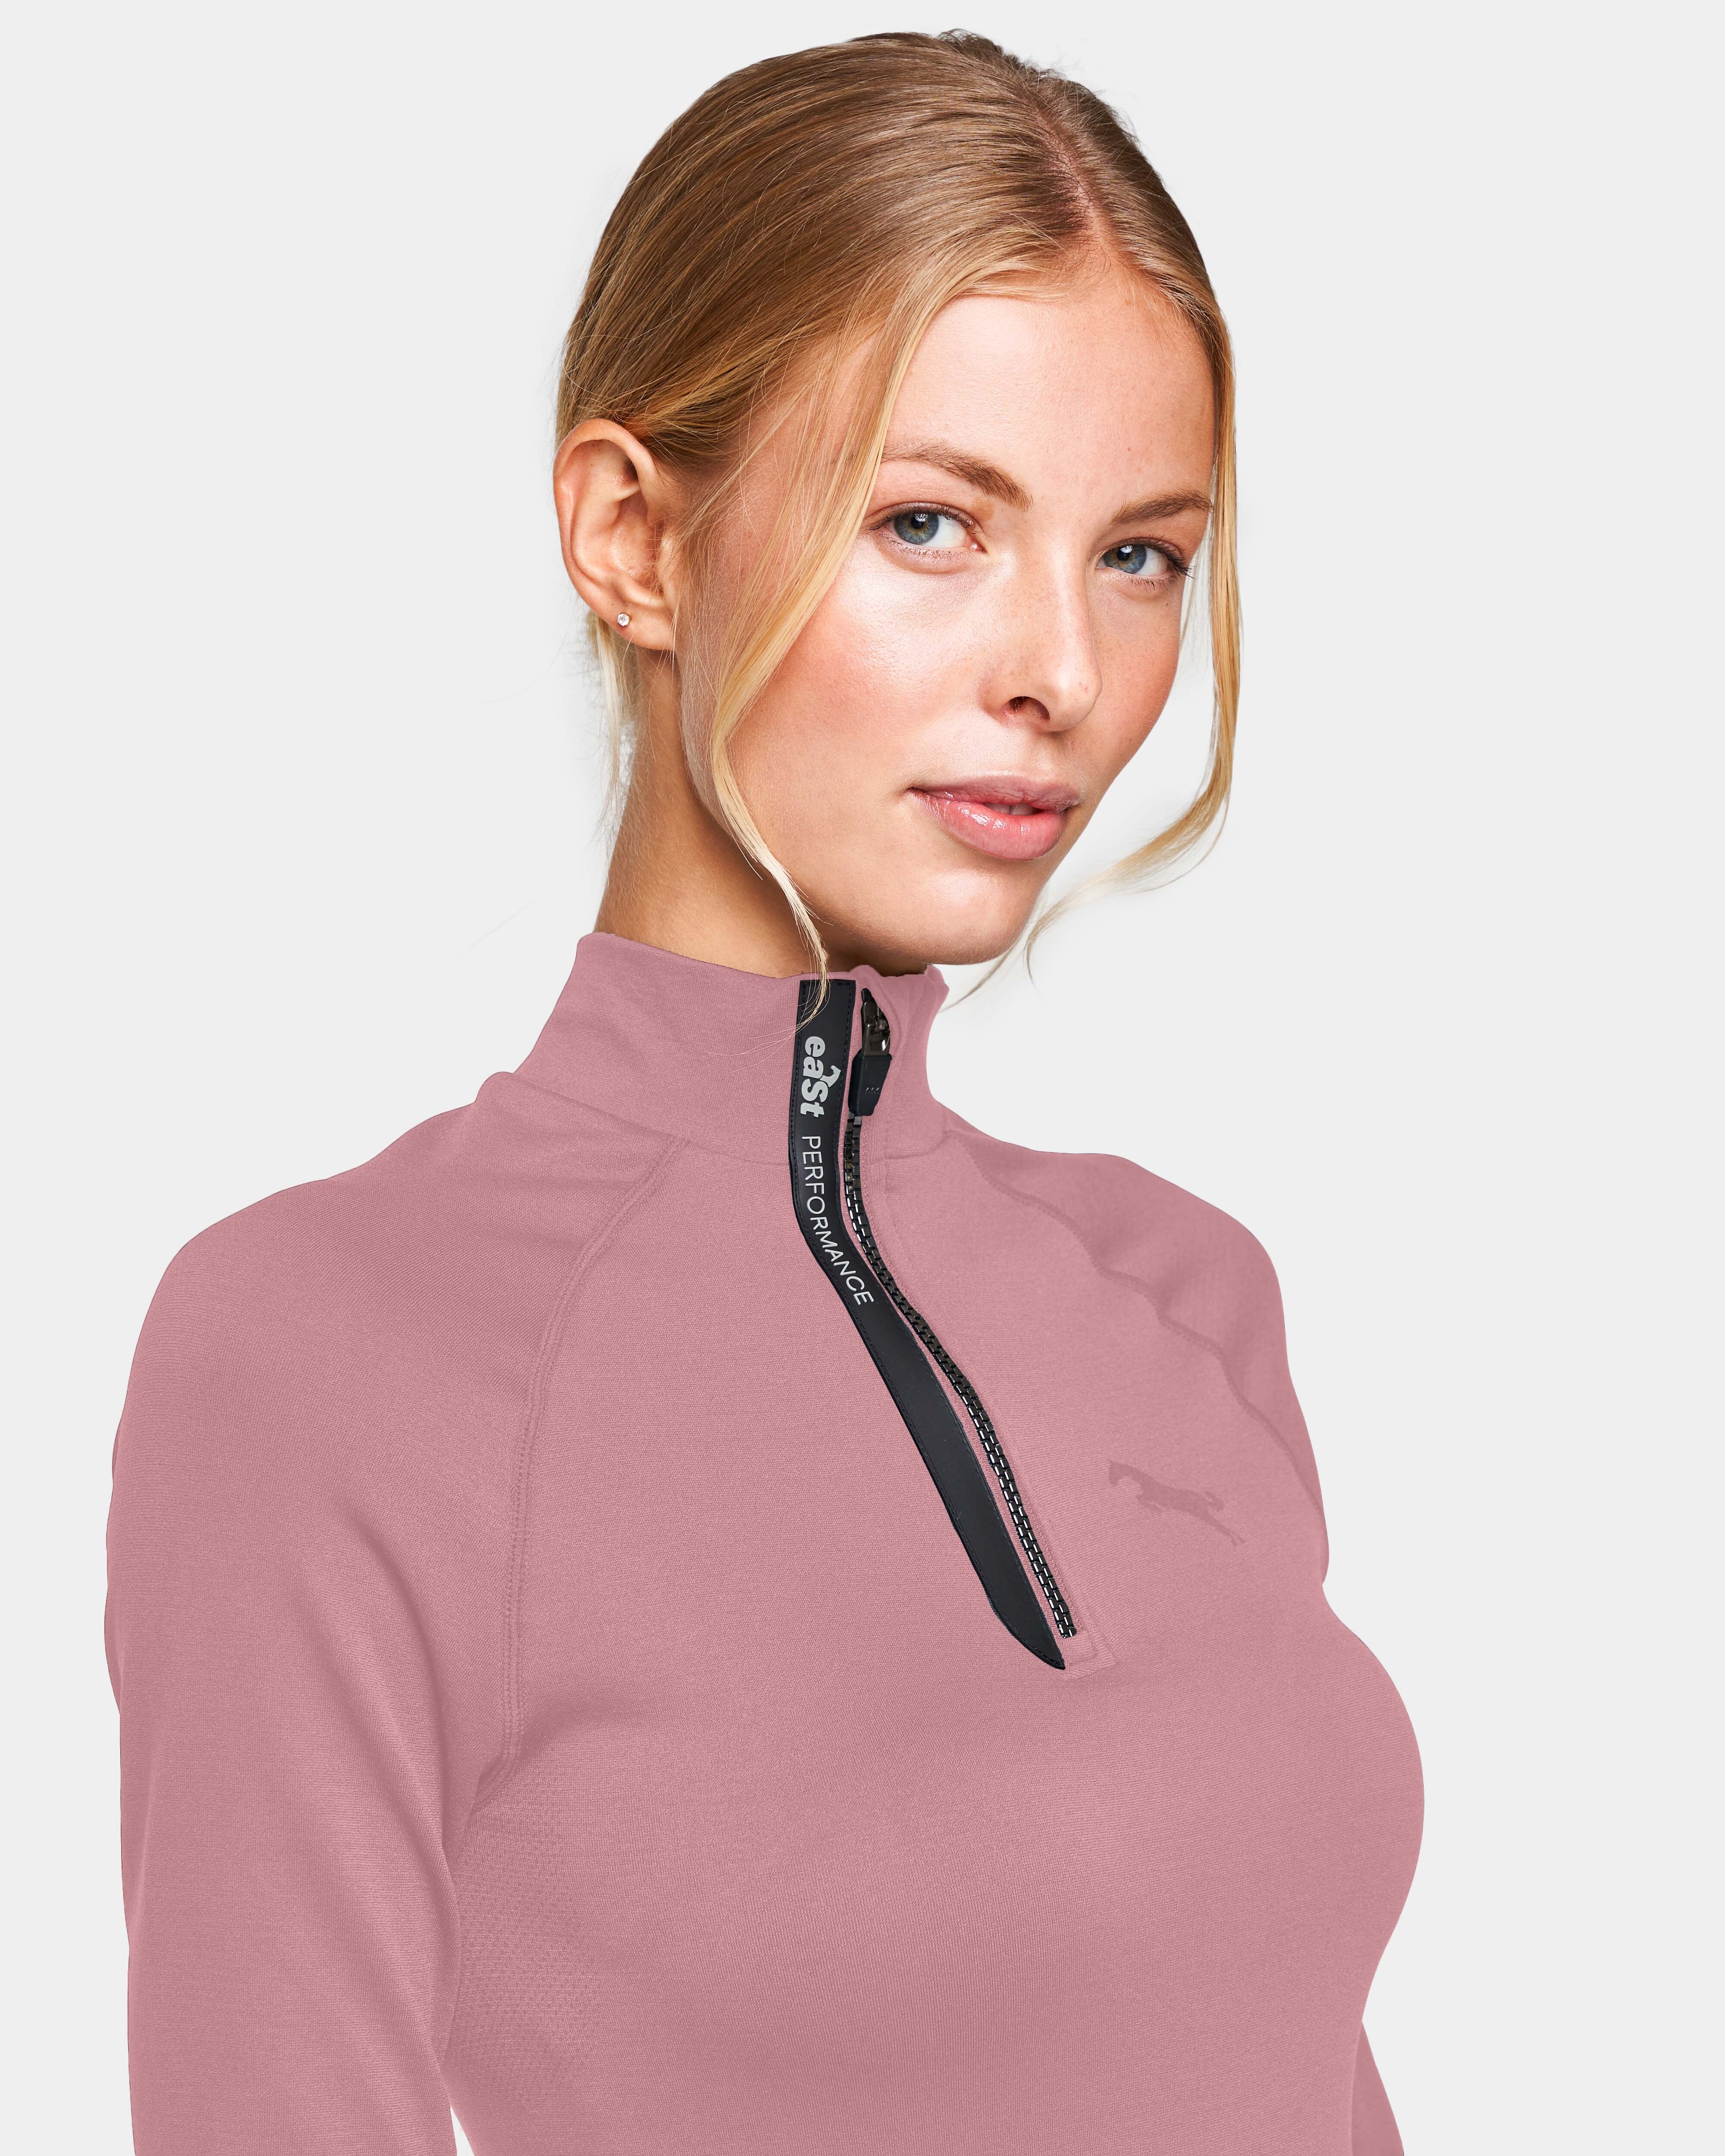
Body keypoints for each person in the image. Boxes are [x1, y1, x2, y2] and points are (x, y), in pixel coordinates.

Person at [105, 30, 1421, 2155]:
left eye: (1140, 554)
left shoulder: (1184, 1289)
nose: (1063, 671)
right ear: (632, 534)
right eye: (931, 523)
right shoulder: (336, 1347)